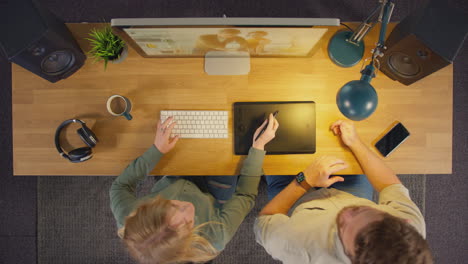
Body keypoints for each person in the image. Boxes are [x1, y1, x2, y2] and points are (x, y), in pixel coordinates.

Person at [254, 120, 433, 264]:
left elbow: (265, 219)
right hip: (352, 192)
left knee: (269, 144)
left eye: (344, 227)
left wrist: (305, 180)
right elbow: (390, 186)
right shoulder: (409, 233)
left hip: (297, 199)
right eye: (362, 210)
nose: (345, 213)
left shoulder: (300, 249)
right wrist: (355, 142)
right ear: (403, 220)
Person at [110, 114, 279, 264]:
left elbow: (120, 186)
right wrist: (258, 147)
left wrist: (157, 150)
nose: (188, 206)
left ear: (146, 208)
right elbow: (245, 195)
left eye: (173, 205)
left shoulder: (131, 217)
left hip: (174, 179)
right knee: (229, 155)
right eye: (189, 222)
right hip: (214, 193)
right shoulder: (215, 236)